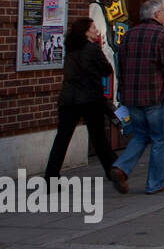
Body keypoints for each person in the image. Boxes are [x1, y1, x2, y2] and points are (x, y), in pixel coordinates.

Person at [44, 17, 124, 191]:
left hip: (68, 100)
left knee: (62, 138)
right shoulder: (92, 48)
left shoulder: (70, 49)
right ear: (86, 31)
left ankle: (50, 177)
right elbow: (106, 69)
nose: (96, 30)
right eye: (93, 27)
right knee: (99, 139)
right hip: (90, 99)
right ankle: (113, 170)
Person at [112, 0, 164, 195]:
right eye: (163, 12)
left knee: (140, 135)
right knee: (159, 139)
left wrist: (123, 92)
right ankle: (155, 183)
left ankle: (121, 168)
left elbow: (120, 65)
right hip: (155, 95)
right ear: (156, 14)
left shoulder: (129, 34)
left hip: (132, 96)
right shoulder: (163, 34)